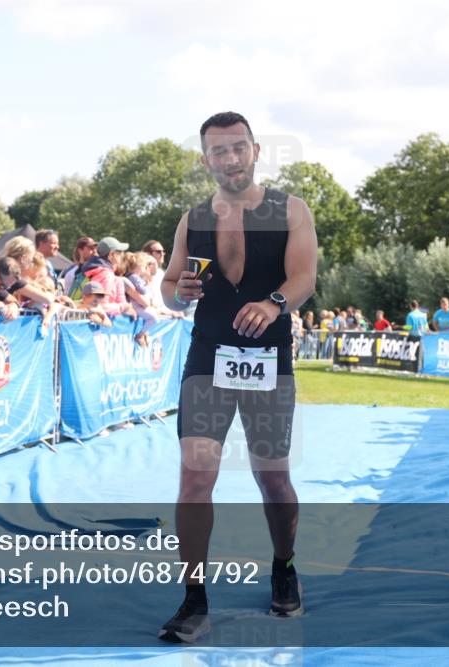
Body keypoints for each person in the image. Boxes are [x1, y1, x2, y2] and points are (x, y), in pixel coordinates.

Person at [158, 111, 317, 642]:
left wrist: (274, 304)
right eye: (219, 152)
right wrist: (178, 290)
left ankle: (284, 566)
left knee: (272, 477)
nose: (230, 159)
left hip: (268, 358)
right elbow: (168, 289)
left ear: (254, 150)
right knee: (196, 475)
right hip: (208, 358)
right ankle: (194, 596)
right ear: (206, 160)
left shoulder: (290, 209)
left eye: (238, 148)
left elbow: (304, 278)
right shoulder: (192, 218)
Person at [79, 237, 137, 319]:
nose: (122, 255)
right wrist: (124, 307)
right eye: (119, 252)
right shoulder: (107, 275)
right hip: (99, 326)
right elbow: (101, 306)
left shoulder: (99, 271)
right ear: (111, 255)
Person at [142, 239, 168, 309]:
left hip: (164, 312)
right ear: (148, 254)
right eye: (158, 252)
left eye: (163, 251)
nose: (162, 254)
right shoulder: (141, 273)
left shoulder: (161, 273)